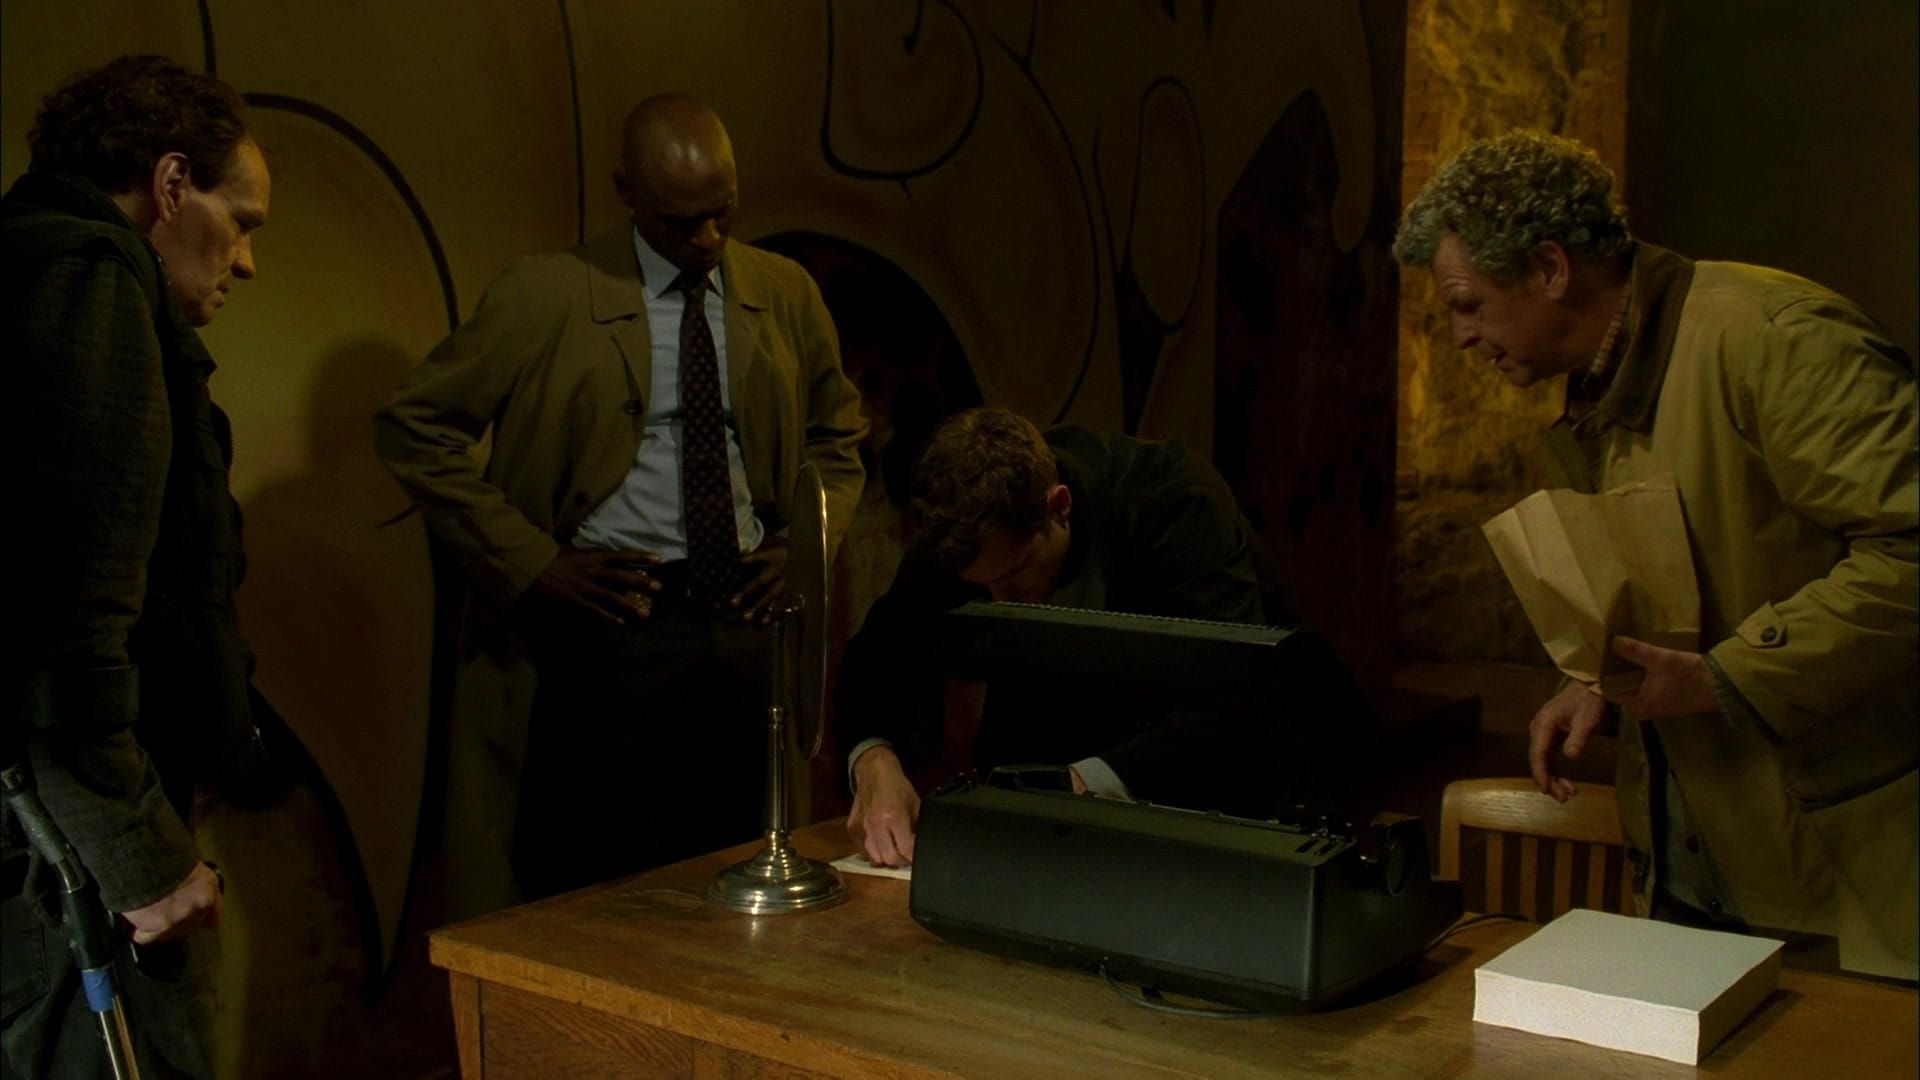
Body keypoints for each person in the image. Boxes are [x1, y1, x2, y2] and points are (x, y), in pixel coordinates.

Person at [1393, 130, 1918, 978]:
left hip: (1845, 874)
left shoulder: (1774, 340)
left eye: (1468, 304)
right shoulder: (1598, 383)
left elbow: (1912, 549)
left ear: (1551, 269)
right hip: (1697, 869)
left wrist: (1729, 677)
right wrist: (1596, 678)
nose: (1460, 335)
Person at [376, 93, 866, 901]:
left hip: (746, 608)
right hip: (618, 616)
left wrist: (804, 551)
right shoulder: (547, 294)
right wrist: (532, 559)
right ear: (627, 194)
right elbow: (415, 428)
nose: (707, 239)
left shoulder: (781, 291)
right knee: (604, 865)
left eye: (723, 212)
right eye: (681, 222)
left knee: (742, 845)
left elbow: (838, 437)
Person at [3, 55, 273, 1077]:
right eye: (239, 222)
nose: (245, 262)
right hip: (70, 857)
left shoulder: (29, 259)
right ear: (169, 184)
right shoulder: (86, 280)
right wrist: (142, 858)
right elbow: (64, 627)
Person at [840, 407, 1371, 867]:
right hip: (1057, 809)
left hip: (1245, 790)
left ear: (1060, 508)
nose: (1001, 604)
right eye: (982, 590)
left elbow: (1234, 697)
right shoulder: (967, 530)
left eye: (1016, 577)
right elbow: (876, 656)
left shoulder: (1174, 503)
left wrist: (1073, 786)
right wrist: (874, 761)